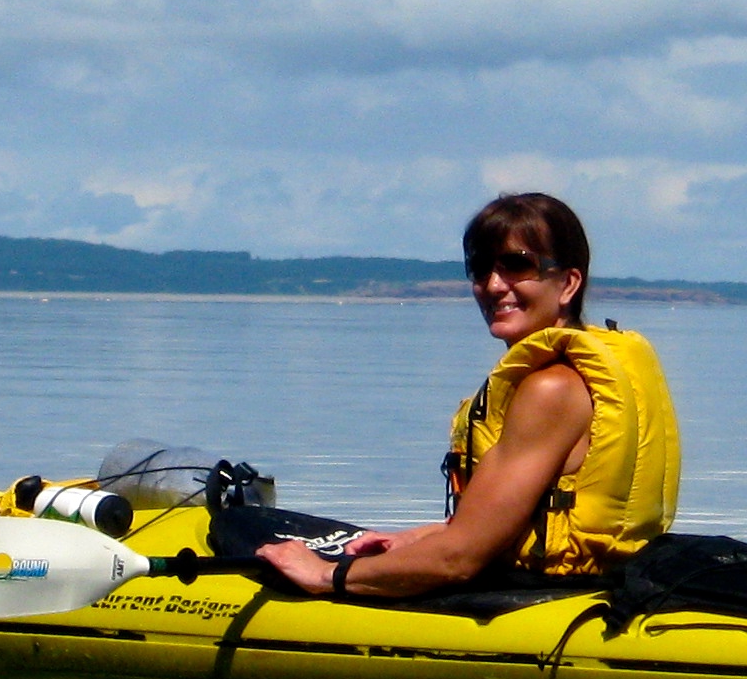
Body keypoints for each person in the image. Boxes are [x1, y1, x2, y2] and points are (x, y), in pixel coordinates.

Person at [254, 191, 682, 603]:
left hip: (551, 594)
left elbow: (459, 560)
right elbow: (506, 526)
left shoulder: (552, 388)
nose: (494, 285)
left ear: (568, 283)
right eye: (480, 268)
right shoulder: (573, 372)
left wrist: (326, 574)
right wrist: (417, 539)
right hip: (593, 579)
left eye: (517, 265)